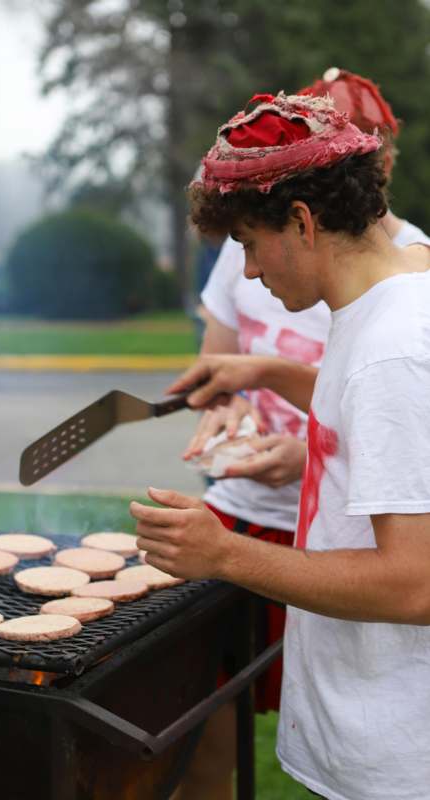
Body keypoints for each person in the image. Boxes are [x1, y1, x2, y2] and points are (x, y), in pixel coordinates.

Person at [131, 89, 430, 800]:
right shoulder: (378, 308)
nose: (251, 273)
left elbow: (415, 583)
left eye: (248, 246)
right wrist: (263, 370)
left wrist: (224, 554)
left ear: (300, 221)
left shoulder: (391, 350)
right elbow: (361, 418)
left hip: (399, 751)